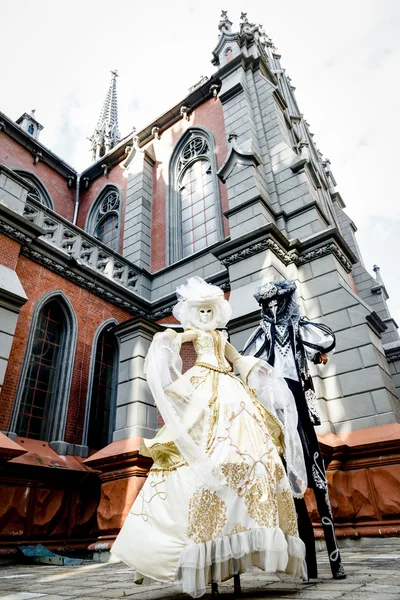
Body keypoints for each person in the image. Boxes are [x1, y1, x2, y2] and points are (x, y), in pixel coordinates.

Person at [112, 276, 307, 598]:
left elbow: (236, 359)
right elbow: (173, 343)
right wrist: (165, 341)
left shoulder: (221, 335)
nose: (204, 316)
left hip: (231, 389)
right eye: (199, 311)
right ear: (191, 312)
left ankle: (242, 530)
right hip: (204, 388)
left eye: (209, 310)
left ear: (217, 310)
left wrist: (258, 369)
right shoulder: (193, 334)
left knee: (250, 455)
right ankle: (188, 543)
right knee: (199, 453)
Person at [242, 280, 346, 580]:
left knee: (316, 474)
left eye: (278, 302)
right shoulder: (262, 332)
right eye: (267, 304)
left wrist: (317, 354)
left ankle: (335, 562)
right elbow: (249, 360)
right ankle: (307, 567)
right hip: (276, 403)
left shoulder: (298, 327)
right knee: (291, 480)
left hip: (298, 397)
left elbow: (321, 342)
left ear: (287, 302)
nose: (273, 308)